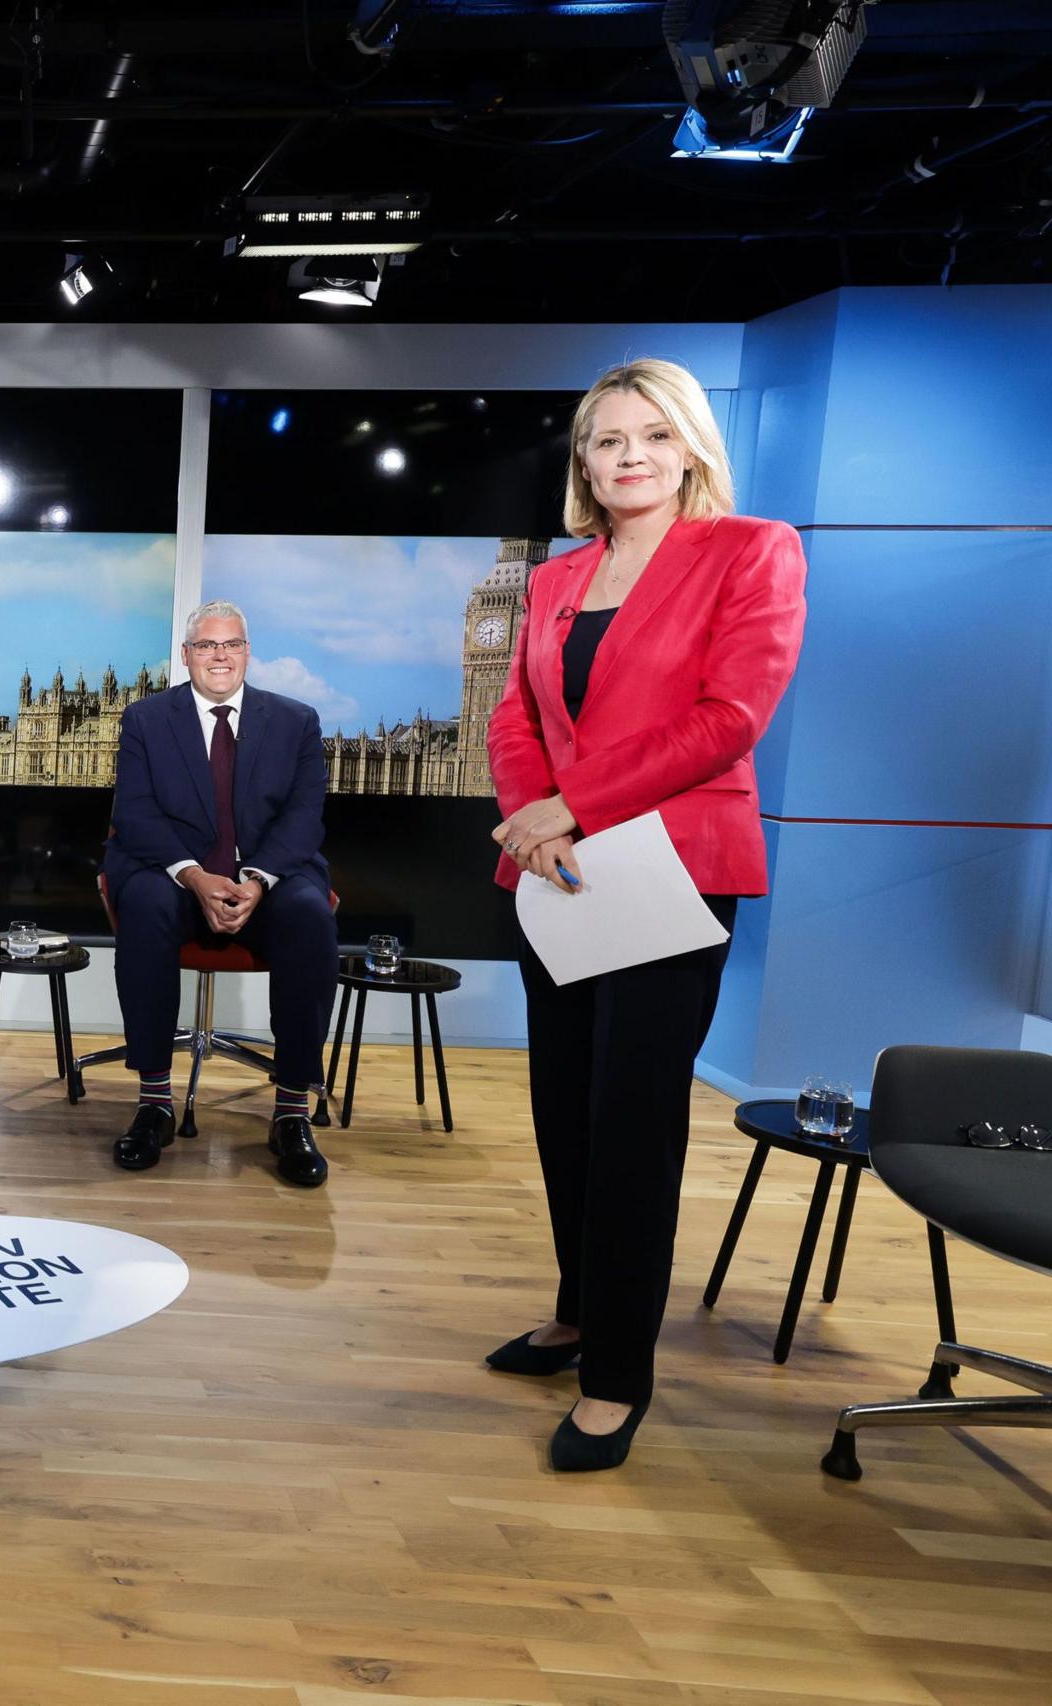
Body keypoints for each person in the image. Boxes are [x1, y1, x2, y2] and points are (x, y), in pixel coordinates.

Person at [484, 357, 807, 1472]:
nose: (626, 456)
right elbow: (515, 713)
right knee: (563, 1107)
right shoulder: (554, 579)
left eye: (649, 436)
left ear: (689, 450)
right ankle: (579, 1310)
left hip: (671, 872)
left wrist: (575, 803)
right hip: (561, 875)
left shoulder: (750, 551)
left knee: (631, 1123)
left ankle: (617, 1374)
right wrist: (537, 818)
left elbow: (729, 716)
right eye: (605, 439)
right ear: (584, 461)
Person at [102, 600, 337, 1183]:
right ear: (186, 656)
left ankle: (291, 1111)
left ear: (247, 652)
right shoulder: (146, 720)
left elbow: (305, 819)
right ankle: (154, 1100)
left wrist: (257, 879)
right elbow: (133, 814)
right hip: (174, 874)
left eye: (231, 644)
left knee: (310, 915)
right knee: (145, 903)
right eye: (207, 646)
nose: (220, 656)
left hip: (269, 876)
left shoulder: (296, 721)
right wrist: (194, 875)